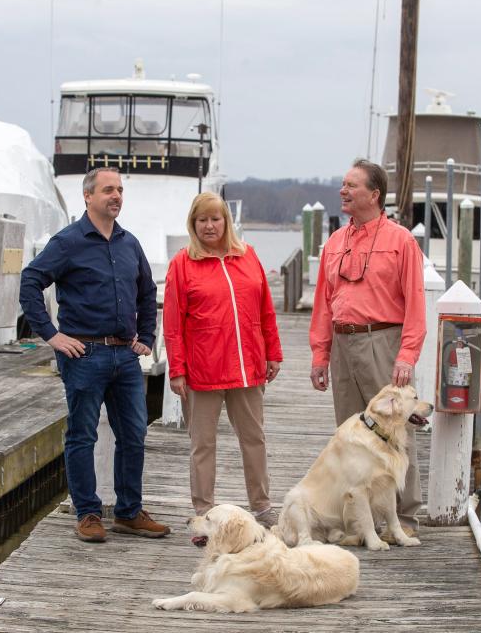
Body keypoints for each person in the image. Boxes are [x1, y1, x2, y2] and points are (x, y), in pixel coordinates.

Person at [19, 167, 170, 543]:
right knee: (82, 435)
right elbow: (30, 282)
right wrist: (52, 336)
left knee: (134, 434)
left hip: (125, 356)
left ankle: (129, 512)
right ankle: (87, 513)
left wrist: (147, 336)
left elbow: (146, 293)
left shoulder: (129, 243)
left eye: (119, 190)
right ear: (88, 196)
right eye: (108, 190)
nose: (116, 196)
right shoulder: (68, 242)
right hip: (83, 354)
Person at [309, 159, 426, 539]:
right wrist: (319, 354)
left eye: (352, 186)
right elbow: (323, 303)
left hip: (383, 341)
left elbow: (416, 304)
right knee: (351, 434)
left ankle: (404, 517)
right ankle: (360, 519)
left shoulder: (401, 241)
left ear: (374, 195)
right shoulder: (335, 243)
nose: (343, 191)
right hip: (343, 344)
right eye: (343, 185)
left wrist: (407, 356)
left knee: (395, 433)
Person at [163, 191, 283, 528]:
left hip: (247, 369)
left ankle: (261, 506)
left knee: (254, 439)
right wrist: (177, 371)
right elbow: (172, 325)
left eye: (216, 219)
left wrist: (273, 351)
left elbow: (266, 311)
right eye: (203, 220)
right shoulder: (182, 265)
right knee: (203, 444)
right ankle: (204, 512)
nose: (210, 226)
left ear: (226, 222)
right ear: (193, 224)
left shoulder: (248, 257)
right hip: (202, 371)